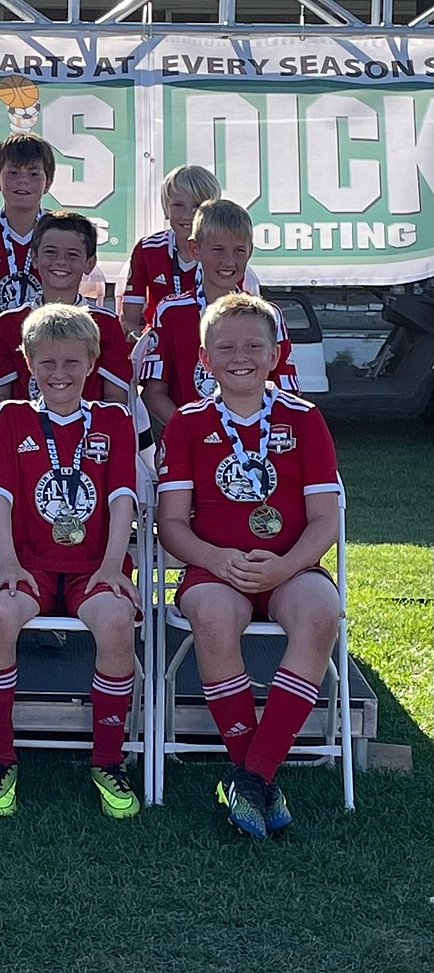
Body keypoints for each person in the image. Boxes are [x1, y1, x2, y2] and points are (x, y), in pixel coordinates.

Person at [157, 292, 341, 840]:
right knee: (213, 616)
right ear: (204, 357)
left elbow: (325, 521)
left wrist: (283, 568)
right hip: (214, 567)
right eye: (226, 346)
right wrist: (218, 559)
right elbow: (171, 525)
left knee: (320, 613)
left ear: (276, 352)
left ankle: (252, 774)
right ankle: (255, 775)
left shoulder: (305, 419)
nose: (241, 356)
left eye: (254, 346)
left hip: (290, 566)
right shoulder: (187, 424)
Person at [0, 304, 141, 818]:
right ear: (27, 362)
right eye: (47, 363)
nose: (60, 374)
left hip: (96, 566)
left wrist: (113, 567)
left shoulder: (114, 419)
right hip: (30, 566)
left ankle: (107, 761)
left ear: (92, 361)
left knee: (115, 621)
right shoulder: (11, 417)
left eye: (72, 362)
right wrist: (5, 563)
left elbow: (121, 500)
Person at [140, 199, 297, 432]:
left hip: (254, 444)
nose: (228, 261)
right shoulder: (170, 312)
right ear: (195, 249)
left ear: (250, 251)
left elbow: (286, 393)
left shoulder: (268, 315)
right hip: (189, 446)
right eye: (218, 250)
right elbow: (153, 393)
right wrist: (190, 433)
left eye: (238, 251)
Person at [0, 211, 131, 411]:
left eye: (72, 255)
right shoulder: (9, 322)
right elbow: (0, 398)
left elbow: (115, 399)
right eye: (50, 252)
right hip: (25, 437)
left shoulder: (106, 324)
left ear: (89, 263)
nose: (60, 261)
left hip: (90, 437)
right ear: (34, 258)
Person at [119, 165, 260, 337]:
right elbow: (129, 321)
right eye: (178, 205)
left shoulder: (227, 258)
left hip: (216, 340)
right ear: (165, 209)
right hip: (161, 340)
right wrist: (142, 343)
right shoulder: (148, 249)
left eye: (197, 206)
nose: (188, 214)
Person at [0, 132, 57, 331]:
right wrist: (11, 337)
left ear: (48, 183)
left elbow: (63, 298)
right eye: (13, 172)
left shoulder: (59, 232)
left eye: (33, 173)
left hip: (50, 337)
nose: (22, 181)